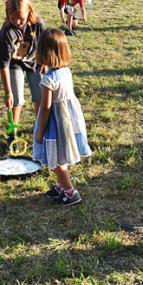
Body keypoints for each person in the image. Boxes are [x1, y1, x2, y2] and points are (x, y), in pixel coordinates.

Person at [33, 29, 91, 206]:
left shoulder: (47, 80)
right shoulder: (66, 71)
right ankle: (60, 185)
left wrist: (40, 133)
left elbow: (45, 108)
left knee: (57, 159)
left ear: (43, 52)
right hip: (68, 119)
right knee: (60, 154)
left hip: (54, 123)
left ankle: (70, 192)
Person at [0, 0, 46, 149]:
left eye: (21, 18)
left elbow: (45, 44)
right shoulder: (7, 31)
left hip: (35, 61)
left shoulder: (38, 23)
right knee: (16, 100)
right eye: (13, 18)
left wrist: (45, 62)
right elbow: (4, 64)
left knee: (39, 96)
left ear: (29, 12)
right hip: (14, 64)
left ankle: (41, 130)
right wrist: (7, 93)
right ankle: (12, 136)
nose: (17, 22)